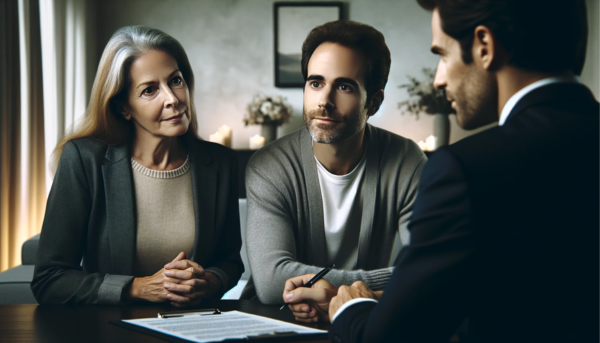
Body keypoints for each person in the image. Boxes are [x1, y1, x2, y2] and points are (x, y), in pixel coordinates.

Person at [288, 0, 599, 341]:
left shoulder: (465, 169)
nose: (438, 79)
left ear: (484, 46)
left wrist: (348, 307)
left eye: (442, 54)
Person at [31, 26, 244, 306]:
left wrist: (209, 282)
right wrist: (137, 288)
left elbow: (229, 261)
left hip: (194, 328)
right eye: (150, 90)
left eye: (175, 80)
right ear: (123, 107)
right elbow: (50, 279)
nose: (173, 99)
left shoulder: (221, 163)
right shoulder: (84, 160)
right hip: (108, 330)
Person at [243, 19, 427, 315]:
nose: (324, 101)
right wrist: (364, 289)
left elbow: (430, 267)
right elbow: (270, 281)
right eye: (315, 83)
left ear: (374, 102)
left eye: (344, 86)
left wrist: (342, 296)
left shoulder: (406, 160)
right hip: (278, 320)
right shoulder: (270, 166)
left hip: (366, 319)